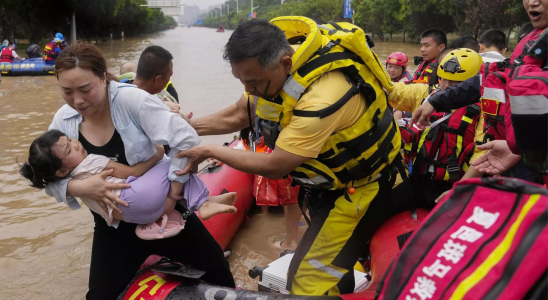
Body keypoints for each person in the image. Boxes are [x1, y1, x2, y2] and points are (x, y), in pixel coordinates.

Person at [175, 18, 401, 295]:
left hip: (360, 190)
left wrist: (208, 149)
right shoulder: (273, 73)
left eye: (253, 82)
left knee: (306, 280)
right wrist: (183, 126)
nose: (248, 89)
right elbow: (239, 112)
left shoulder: (323, 98)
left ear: (285, 64)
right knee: (327, 269)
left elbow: (276, 165)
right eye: (242, 81)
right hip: (325, 186)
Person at [43, 41, 235, 299]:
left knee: (220, 276)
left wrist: (173, 197)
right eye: (67, 91)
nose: (77, 100)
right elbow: (44, 175)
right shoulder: (63, 120)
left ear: (103, 77)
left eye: (85, 89)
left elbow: (186, 138)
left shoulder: (133, 101)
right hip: (113, 227)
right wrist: (80, 187)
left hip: (167, 215)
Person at [409, 0, 547, 183]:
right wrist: (436, 100)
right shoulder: (533, 42)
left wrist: (527, 151)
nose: (532, 2)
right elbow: (495, 78)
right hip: (514, 156)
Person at [21, 129, 237, 236]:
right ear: (61, 170)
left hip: (130, 217)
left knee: (169, 170)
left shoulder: (69, 178)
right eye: (69, 149)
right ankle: (203, 203)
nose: (76, 144)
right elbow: (133, 171)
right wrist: (157, 152)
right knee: (178, 154)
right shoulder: (93, 163)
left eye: (70, 140)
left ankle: (207, 199)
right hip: (137, 197)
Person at [388, 48, 485, 208]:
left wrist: (460, 189)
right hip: (417, 180)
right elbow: (395, 91)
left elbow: (482, 153)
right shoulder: (427, 93)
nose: (445, 87)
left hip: (452, 184)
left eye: (454, 83)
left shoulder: (483, 110)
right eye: (443, 79)